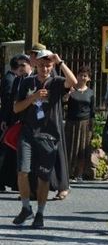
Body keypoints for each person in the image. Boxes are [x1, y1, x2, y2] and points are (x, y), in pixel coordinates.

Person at [12, 50, 77, 228]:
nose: (45, 68)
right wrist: (33, 97)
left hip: (48, 136)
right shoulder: (27, 82)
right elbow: (16, 108)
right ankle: (26, 208)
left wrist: (60, 62)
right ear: (36, 65)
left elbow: (74, 82)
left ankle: (40, 213)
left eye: (48, 65)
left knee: (44, 177)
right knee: (22, 172)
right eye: (42, 65)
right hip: (28, 133)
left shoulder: (56, 82)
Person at [0, 54, 31, 192]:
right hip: (14, 120)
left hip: (28, 122)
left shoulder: (33, 79)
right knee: (10, 150)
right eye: (18, 66)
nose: (20, 68)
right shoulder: (14, 80)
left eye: (23, 65)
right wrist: (5, 119)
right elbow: (8, 101)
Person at [64, 66, 95, 181]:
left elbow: (92, 111)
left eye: (85, 76)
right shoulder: (71, 89)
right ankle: (67, 172)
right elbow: (62, 104)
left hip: (84, 124)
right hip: (71, 123)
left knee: (82, 148)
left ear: (89, 79)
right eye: (80, 75)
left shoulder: (90, 93)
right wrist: (67, 96)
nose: (82, 77)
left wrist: (92, 126)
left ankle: (79, 174)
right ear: (76, 76)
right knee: (69, 147)